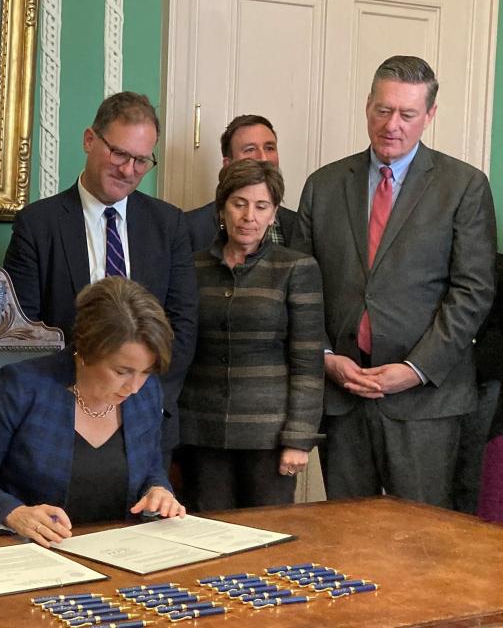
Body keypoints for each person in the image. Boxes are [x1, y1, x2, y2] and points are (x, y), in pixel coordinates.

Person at [292, 56, 497, 508]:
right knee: (348, 541)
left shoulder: (464, 186)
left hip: (425, 401)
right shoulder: (323, 186)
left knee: (421, 545)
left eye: (407, 114)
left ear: (429, 115)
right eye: (383, 110)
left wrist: (414, 370)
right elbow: (300, 289)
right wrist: (326, 357)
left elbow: (473, 291)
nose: (392, 125)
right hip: (343, 394)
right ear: (368, 106)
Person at [3, 91, 197, 461]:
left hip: (146, 419)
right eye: (119, 154)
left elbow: (183, 326)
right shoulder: (38, 225)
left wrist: (143, 395)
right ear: (90, 140)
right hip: (59, 417)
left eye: (141, 161)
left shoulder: (169, 224)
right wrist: (79, 400)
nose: (128, 170)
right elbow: (24, 331)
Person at [0, 277, 185, 546]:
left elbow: (150, 466)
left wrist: (158, 490)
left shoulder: (147, 392)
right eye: (121, 372)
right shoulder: (21, 387)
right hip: (33, 552)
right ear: (86, 350)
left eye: (146, 372)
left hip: (123, 550)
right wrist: (14, 514)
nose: (134, 387)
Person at [180, 159, 324, 511]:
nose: (250, 217)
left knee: (267, 539)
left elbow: (307, 361)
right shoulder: (191, 266)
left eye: (262, 206)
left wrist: (299, 439)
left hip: (269, 438)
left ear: (274, 213)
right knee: (206, 539)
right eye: (239, 204)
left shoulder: (296, 268)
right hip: (201, 433)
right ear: (221, 209)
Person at [185, 114, 297, 251]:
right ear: (228, 164)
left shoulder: (298, 225)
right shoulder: (190, 227)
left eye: (269, 148)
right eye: (250, 149)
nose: (263, 158)